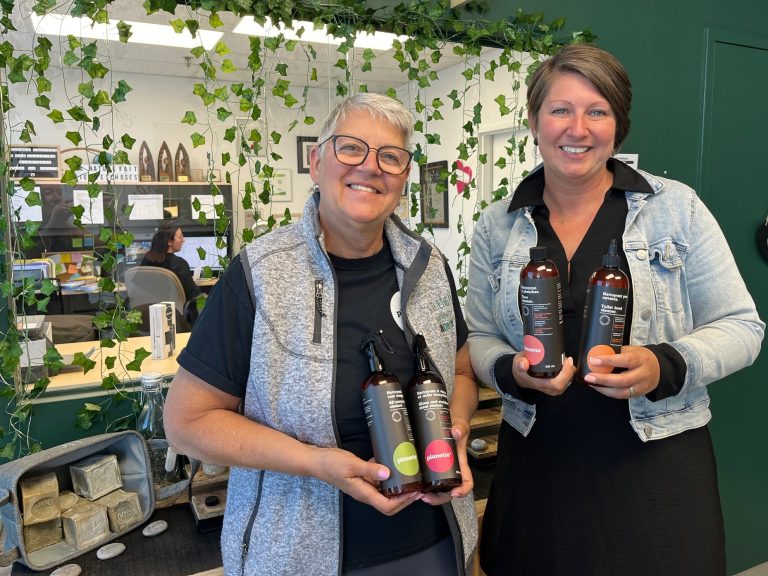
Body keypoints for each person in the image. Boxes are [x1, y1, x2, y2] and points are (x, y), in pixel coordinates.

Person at [465, 43, 764, 576]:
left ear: (617, 125)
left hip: (656, 473)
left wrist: (663, 364)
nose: (576, 128)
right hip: (538, 473)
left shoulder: (677, 209)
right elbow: (480, 338)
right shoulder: (498, 225)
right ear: (534, 121)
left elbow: (743, 328)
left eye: (596, 111)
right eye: (560, 110)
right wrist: (509, 372)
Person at [164, 93, 479, 575]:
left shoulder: (429, 265)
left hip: (433, 543)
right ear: (317, 162)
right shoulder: (259, 275)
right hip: (297, 555)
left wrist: (454, 433)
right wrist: (314, 462)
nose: (371, 167)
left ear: (403, 179)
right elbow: (187, 422)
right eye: (351, 148)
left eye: (390, 157)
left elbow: (459, 371)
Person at [140, 221, 201, 303]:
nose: (183, 240)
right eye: (180, 237)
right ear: (169, 241)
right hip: (173, 312)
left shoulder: (146, 260)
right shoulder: (179, 264)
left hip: (147, 311)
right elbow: (193, 295)